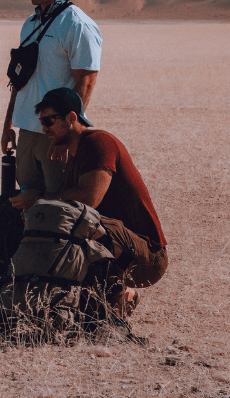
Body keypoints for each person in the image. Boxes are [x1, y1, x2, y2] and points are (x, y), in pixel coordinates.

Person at [12, 87, 167, 316]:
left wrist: (38, 198)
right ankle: (110, 297)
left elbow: (89, 199)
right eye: (42, 122)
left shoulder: (99, 143)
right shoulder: (76, 151)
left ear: (72, 117)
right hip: (118, 245)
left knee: (77, 222)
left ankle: (122, 292)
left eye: (50, 121)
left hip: (147, 259)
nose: (44, 129)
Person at [2, 0, 102, 195]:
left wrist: (65, 136)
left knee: (58, 204)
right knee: (28, 201)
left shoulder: (76, 24)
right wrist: (9, 123)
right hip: (27, 129)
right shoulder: (30, 24)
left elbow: (85, 81)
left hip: (55, 135)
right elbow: (19, 80)